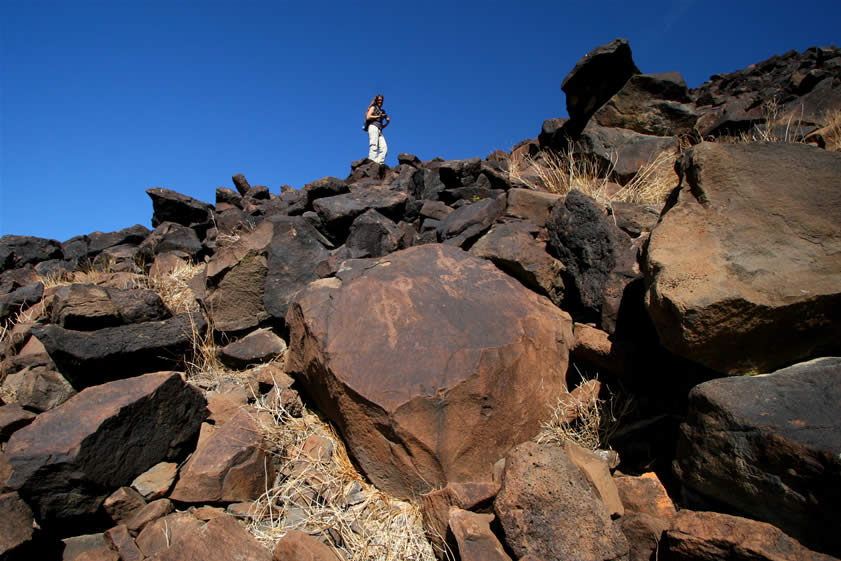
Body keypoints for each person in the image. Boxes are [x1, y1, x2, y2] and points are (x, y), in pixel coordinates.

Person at [364, 94, 390, 164]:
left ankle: (378, 164)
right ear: (376, 101)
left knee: (384, 148)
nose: (380, 102)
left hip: (379, 129)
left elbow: (381, 126)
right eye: (379, 100)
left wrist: (387, 123)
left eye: (381, 100)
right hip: (373, 127)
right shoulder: (373, 108)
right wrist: (379, 116)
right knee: (373, 145)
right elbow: (368, 117)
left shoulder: (382, 111)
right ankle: (371, 162)